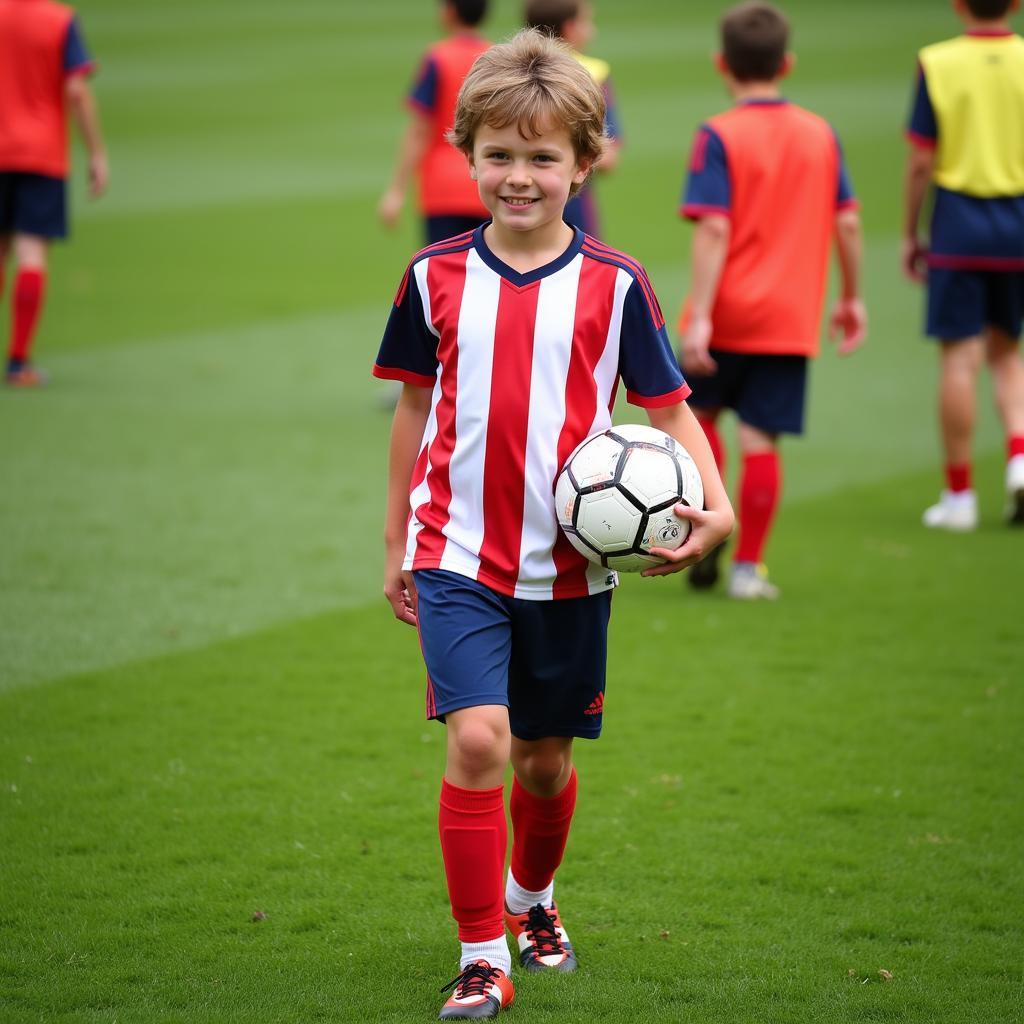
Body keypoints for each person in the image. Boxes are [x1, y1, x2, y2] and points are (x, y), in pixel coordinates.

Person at [373, 29, 733, 1020]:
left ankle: (533, 902)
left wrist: (719, 501)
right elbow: (412, 409)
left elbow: (668, 410)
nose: (518, 176)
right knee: (480, 741)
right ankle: (481, 952)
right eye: (498, 154)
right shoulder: (433, 277)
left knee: (543, 760)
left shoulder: (615, 284)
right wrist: (397, 542)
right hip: (456, 552)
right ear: (467, 155)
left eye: (542, 157)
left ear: (587, 162)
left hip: (571, 570)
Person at [677, 1, 866, 599]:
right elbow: (851, 223)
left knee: (700, 425)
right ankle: (747, 569)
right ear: (786, 62)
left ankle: (700, 538)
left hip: (726, 310)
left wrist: (701, 314)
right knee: (761, 440)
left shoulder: (718, 134)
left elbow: (713, 227)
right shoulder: (820, 134)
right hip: (788, 317)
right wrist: (852, 298)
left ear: (720, 64)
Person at [903, 0, 1024, 530]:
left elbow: (923, 159)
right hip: (1018, 225)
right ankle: (1019, 462)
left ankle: (960, 496)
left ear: (958, 5)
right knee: (1007, 354)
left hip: (958, 226)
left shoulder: (937, 61)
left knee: (960, 359)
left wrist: (911, 229)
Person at [0, 0, 108, 388]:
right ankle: (17, 361)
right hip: (41, 152)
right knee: (31, 252)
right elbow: (77, 90)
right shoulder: (58, 21)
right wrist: (96, 151)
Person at [377, 0, 490, 246]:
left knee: (443, 272)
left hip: (442, 189)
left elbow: (419, 129)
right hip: (487, 181)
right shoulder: (494, 58)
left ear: (450, 12)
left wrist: (397, 189)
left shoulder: (438, 58)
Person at [524, 0, 622, 239]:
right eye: (586, 22)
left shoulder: (509, 71)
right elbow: (608, 158)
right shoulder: (592, 74)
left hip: (517, 202)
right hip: (573, 204)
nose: (592, 30)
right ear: (569, 28)